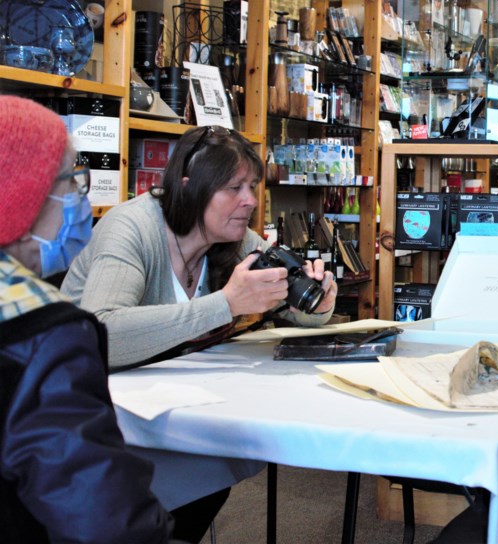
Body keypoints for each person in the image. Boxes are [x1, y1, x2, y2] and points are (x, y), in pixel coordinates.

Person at [62, 124, 338, 542]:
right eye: (233, 187)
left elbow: (292, 307)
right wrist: (225, 304)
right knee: (211, 459)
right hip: (84, 412)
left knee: (222, 455)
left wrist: (319, 303)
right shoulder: (131, 228)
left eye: (251, 186)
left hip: (164, 403)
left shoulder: (237, 240)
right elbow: (100, 334)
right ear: (190, 188)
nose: (249, 201)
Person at [0, 95, 173, 543]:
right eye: (74, 180)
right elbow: (103, 520)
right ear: (23, 195)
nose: (84, 197)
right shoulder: (44, 334)